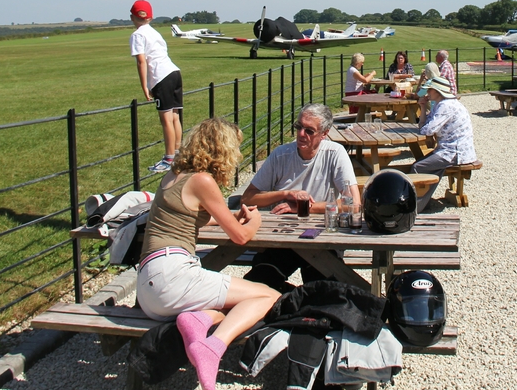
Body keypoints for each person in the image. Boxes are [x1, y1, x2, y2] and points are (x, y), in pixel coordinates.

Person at [135, 118, 279, 390]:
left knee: (231, 303)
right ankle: (213, 347)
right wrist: (255, 221)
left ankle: (200, 319)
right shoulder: (202, 181)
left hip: (148, 288)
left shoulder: (173, 176)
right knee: (269, 295)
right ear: (221, 149)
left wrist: (231, 216)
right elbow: (240, 237)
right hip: (173, 277)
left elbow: (194, 217)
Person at [240, 104, 360, 291]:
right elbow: (247, 198)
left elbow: (353, 204)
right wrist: (285, 194)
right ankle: (292, 300)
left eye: (309, 130)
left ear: (324, 134)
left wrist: (302, 207)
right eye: (299, 127)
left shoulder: (335, 153)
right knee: (260, 279)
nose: (301, 134)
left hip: (321, 238)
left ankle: (299, 302)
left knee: (322, 288)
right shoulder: (281, 154)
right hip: (282, 237)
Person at [129, 0, 183, 173]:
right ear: (150, 17)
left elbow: (141, 61)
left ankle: (169, 158)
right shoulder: (155, 33)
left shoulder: (137, 35)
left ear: (132, 17)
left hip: (161, 77)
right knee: (175, 116)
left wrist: (145, 85)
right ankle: (177, 152)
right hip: (174, 73)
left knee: (165, 119)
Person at [412, 76, 476, 212]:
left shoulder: (446, 106)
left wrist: (424, 126)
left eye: (430, 89)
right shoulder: (441, 104)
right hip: (449, 150)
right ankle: (422, 202)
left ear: (438, 91)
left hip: (455, 152)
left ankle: (415, 206)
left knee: (417, 167)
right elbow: (425, 126)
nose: (427, 92)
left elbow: (427, 130)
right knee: (428, 165)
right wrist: (422, 107)